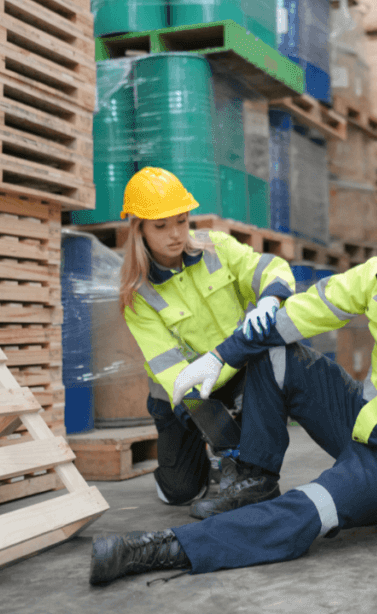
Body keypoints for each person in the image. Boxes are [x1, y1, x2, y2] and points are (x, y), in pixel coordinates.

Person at [89, 211, 377, 587]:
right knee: (275, 348)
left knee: (312, 507)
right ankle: (254, 476)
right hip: (364, 422)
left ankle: (167, 547)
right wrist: (222, 355)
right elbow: (306, 311)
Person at [117, 166, 295, 515]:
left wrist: (270, 298)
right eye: (161, 226)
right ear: (139, 229)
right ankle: (202, 461)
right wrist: (217, 432)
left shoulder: (217, 248)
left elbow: (270, 268)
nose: (176, 234)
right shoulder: (137, 296)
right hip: (181, 393)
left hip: (235, 371)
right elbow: (171, 371)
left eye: (182, 221)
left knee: (260, 394)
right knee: (181, 492)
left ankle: (238, 462)